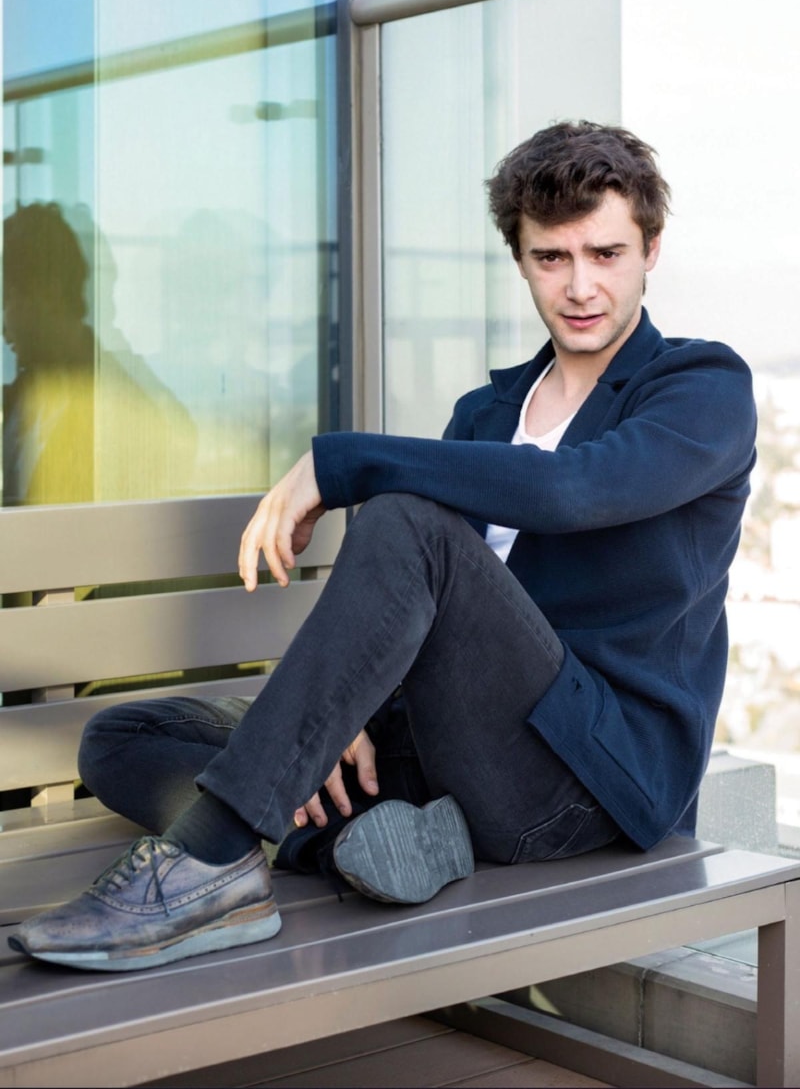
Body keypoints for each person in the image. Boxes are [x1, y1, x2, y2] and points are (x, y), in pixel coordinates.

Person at [9, 121, 757, 974]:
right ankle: (355, 846)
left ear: (651, 250)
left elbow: (572, 491)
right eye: (552, 257)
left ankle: (211, 863)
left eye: (606, 254)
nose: (580, 285)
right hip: (441, 761)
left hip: (586, 787)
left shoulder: (700, 389)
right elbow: (422, 607)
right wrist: (354, 715)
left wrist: (340, 464)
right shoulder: (486, 414)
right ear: (520, 260)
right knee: (122, 736)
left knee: (405, 516)